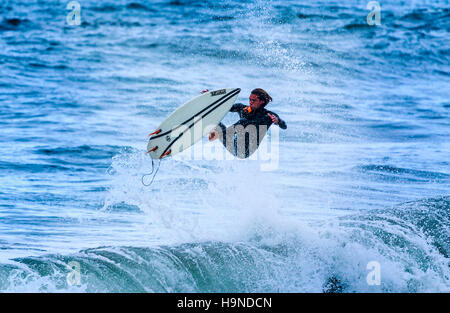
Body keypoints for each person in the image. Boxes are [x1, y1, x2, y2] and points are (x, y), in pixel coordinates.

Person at [207, 88, 287, 158]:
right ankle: (212, 129)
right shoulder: (242, 108)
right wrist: (211, 98)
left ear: (261, 102)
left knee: (245, 122)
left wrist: (278, 121)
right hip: (232, 144)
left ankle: (219, 134)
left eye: (253, 100)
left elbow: (284, 126)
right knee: (215, 121)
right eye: (250, 99)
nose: (250, 102)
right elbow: (225, 106)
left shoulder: (268, 116)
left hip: (245, 151)